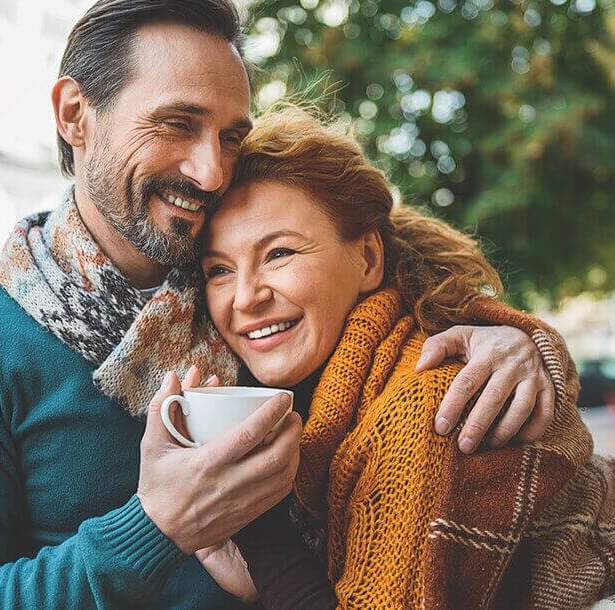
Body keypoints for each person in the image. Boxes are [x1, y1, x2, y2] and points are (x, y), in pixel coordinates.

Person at [0, 1, 568, 608]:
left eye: (231, 136)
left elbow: (388, 267)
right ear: (74, 116)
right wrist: (154, 528)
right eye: (176, 124)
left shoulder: (252, 323)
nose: (210, 170)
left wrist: (506, 335)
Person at [192, 107, 615, 608]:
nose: (244, 298)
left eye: (279, 253)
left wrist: (258, 533)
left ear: (369, 258)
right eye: (219, 270)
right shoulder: (317, 394)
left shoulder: (424, 405)